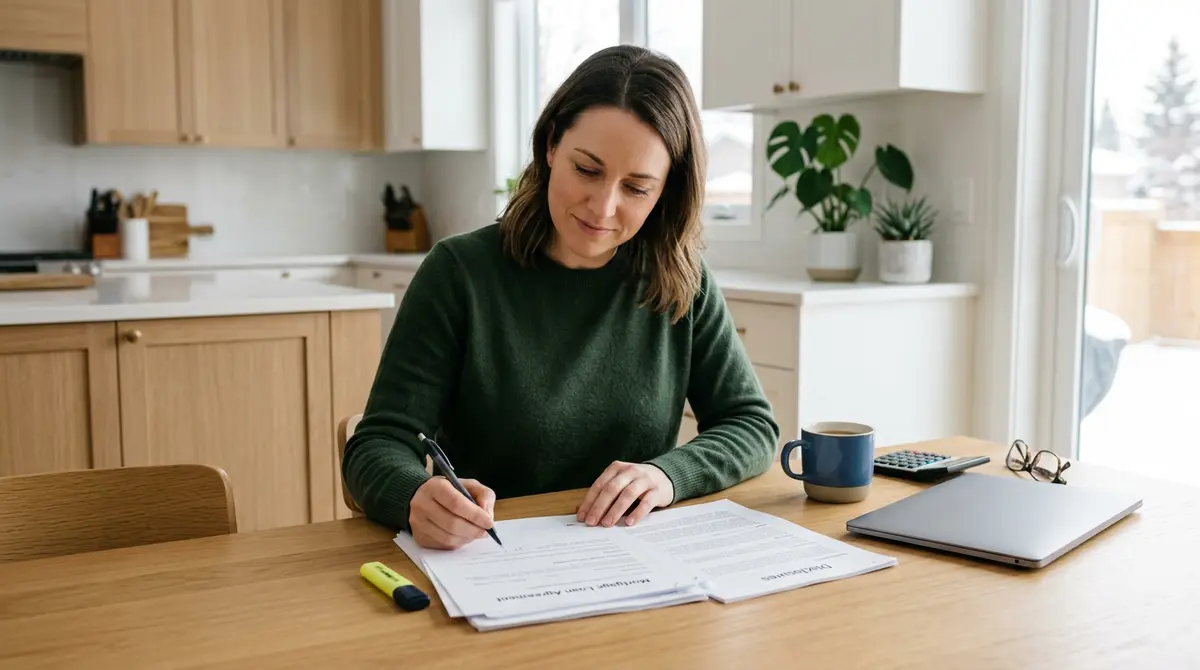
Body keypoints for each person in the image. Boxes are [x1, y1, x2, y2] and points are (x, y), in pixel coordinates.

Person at [343, 44, 779, 550]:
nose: (603, 207)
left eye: (637, 188)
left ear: (666, 192)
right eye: (587, 170)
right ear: (551, 146)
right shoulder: (459, 273)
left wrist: (668, 476)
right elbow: (375, 446)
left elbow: (751, 425)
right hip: (490, 564)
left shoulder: (681, 279)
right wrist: (416, 495)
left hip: (635, 564)